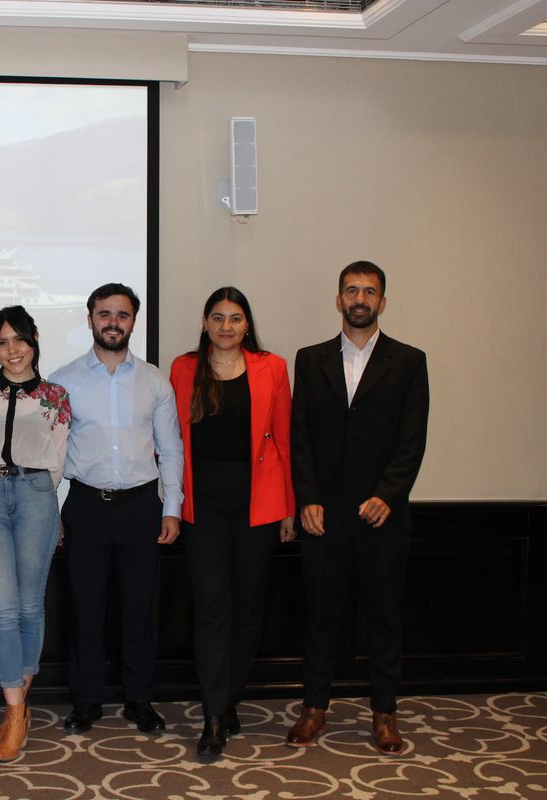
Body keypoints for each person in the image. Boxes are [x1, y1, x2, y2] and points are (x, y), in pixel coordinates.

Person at [286, 261, 429, 756]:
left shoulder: (409, 362)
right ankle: (314, 708)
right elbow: (298, 436)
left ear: (383, 302)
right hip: (323, 516)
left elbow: (412, 441)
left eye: (369, 291)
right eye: (352, 290)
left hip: (383, 516)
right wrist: (307, 498)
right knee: (321, 616)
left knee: (385, 617)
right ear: (338, 299)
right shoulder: (310, 359)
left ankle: (385, 713)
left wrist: (387, 494)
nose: (360, 298)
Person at [48, 283, 183, 735]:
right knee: (85, 608)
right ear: (90, 319)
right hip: (85, 505)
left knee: (138, 609)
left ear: (133, 321)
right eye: (104, 314)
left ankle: (138, 699)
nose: (113, 322)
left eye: (122, 315)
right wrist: (55, 512)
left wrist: (173, 507)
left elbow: (172, 449)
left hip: (142, 507)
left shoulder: (154, 381)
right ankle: (86, 701)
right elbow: (52, 454)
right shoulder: (63, 381)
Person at [169, 287, 295, 759]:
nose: (226, 326)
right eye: (218, 317)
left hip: (257, 503)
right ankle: (214, 715)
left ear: (247, 324)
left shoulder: (273, 367)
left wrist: (287, 507)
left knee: (248, 607)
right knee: (212, 608)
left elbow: (283, 437)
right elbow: (172, 440)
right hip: (203, 506)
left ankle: (229, 695)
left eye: (236, 318)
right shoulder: (183, 368)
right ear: (204, 322)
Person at [0, 306, 71, 762]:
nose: (13, 350)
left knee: (30, 606)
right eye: (3, 342)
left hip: (36, 494)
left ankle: (16, 711)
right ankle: (16, 710)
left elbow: (60, 459)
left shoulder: (55, 396)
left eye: (20, 340)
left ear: (35, 340)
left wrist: (51, 506)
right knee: (3, 609)